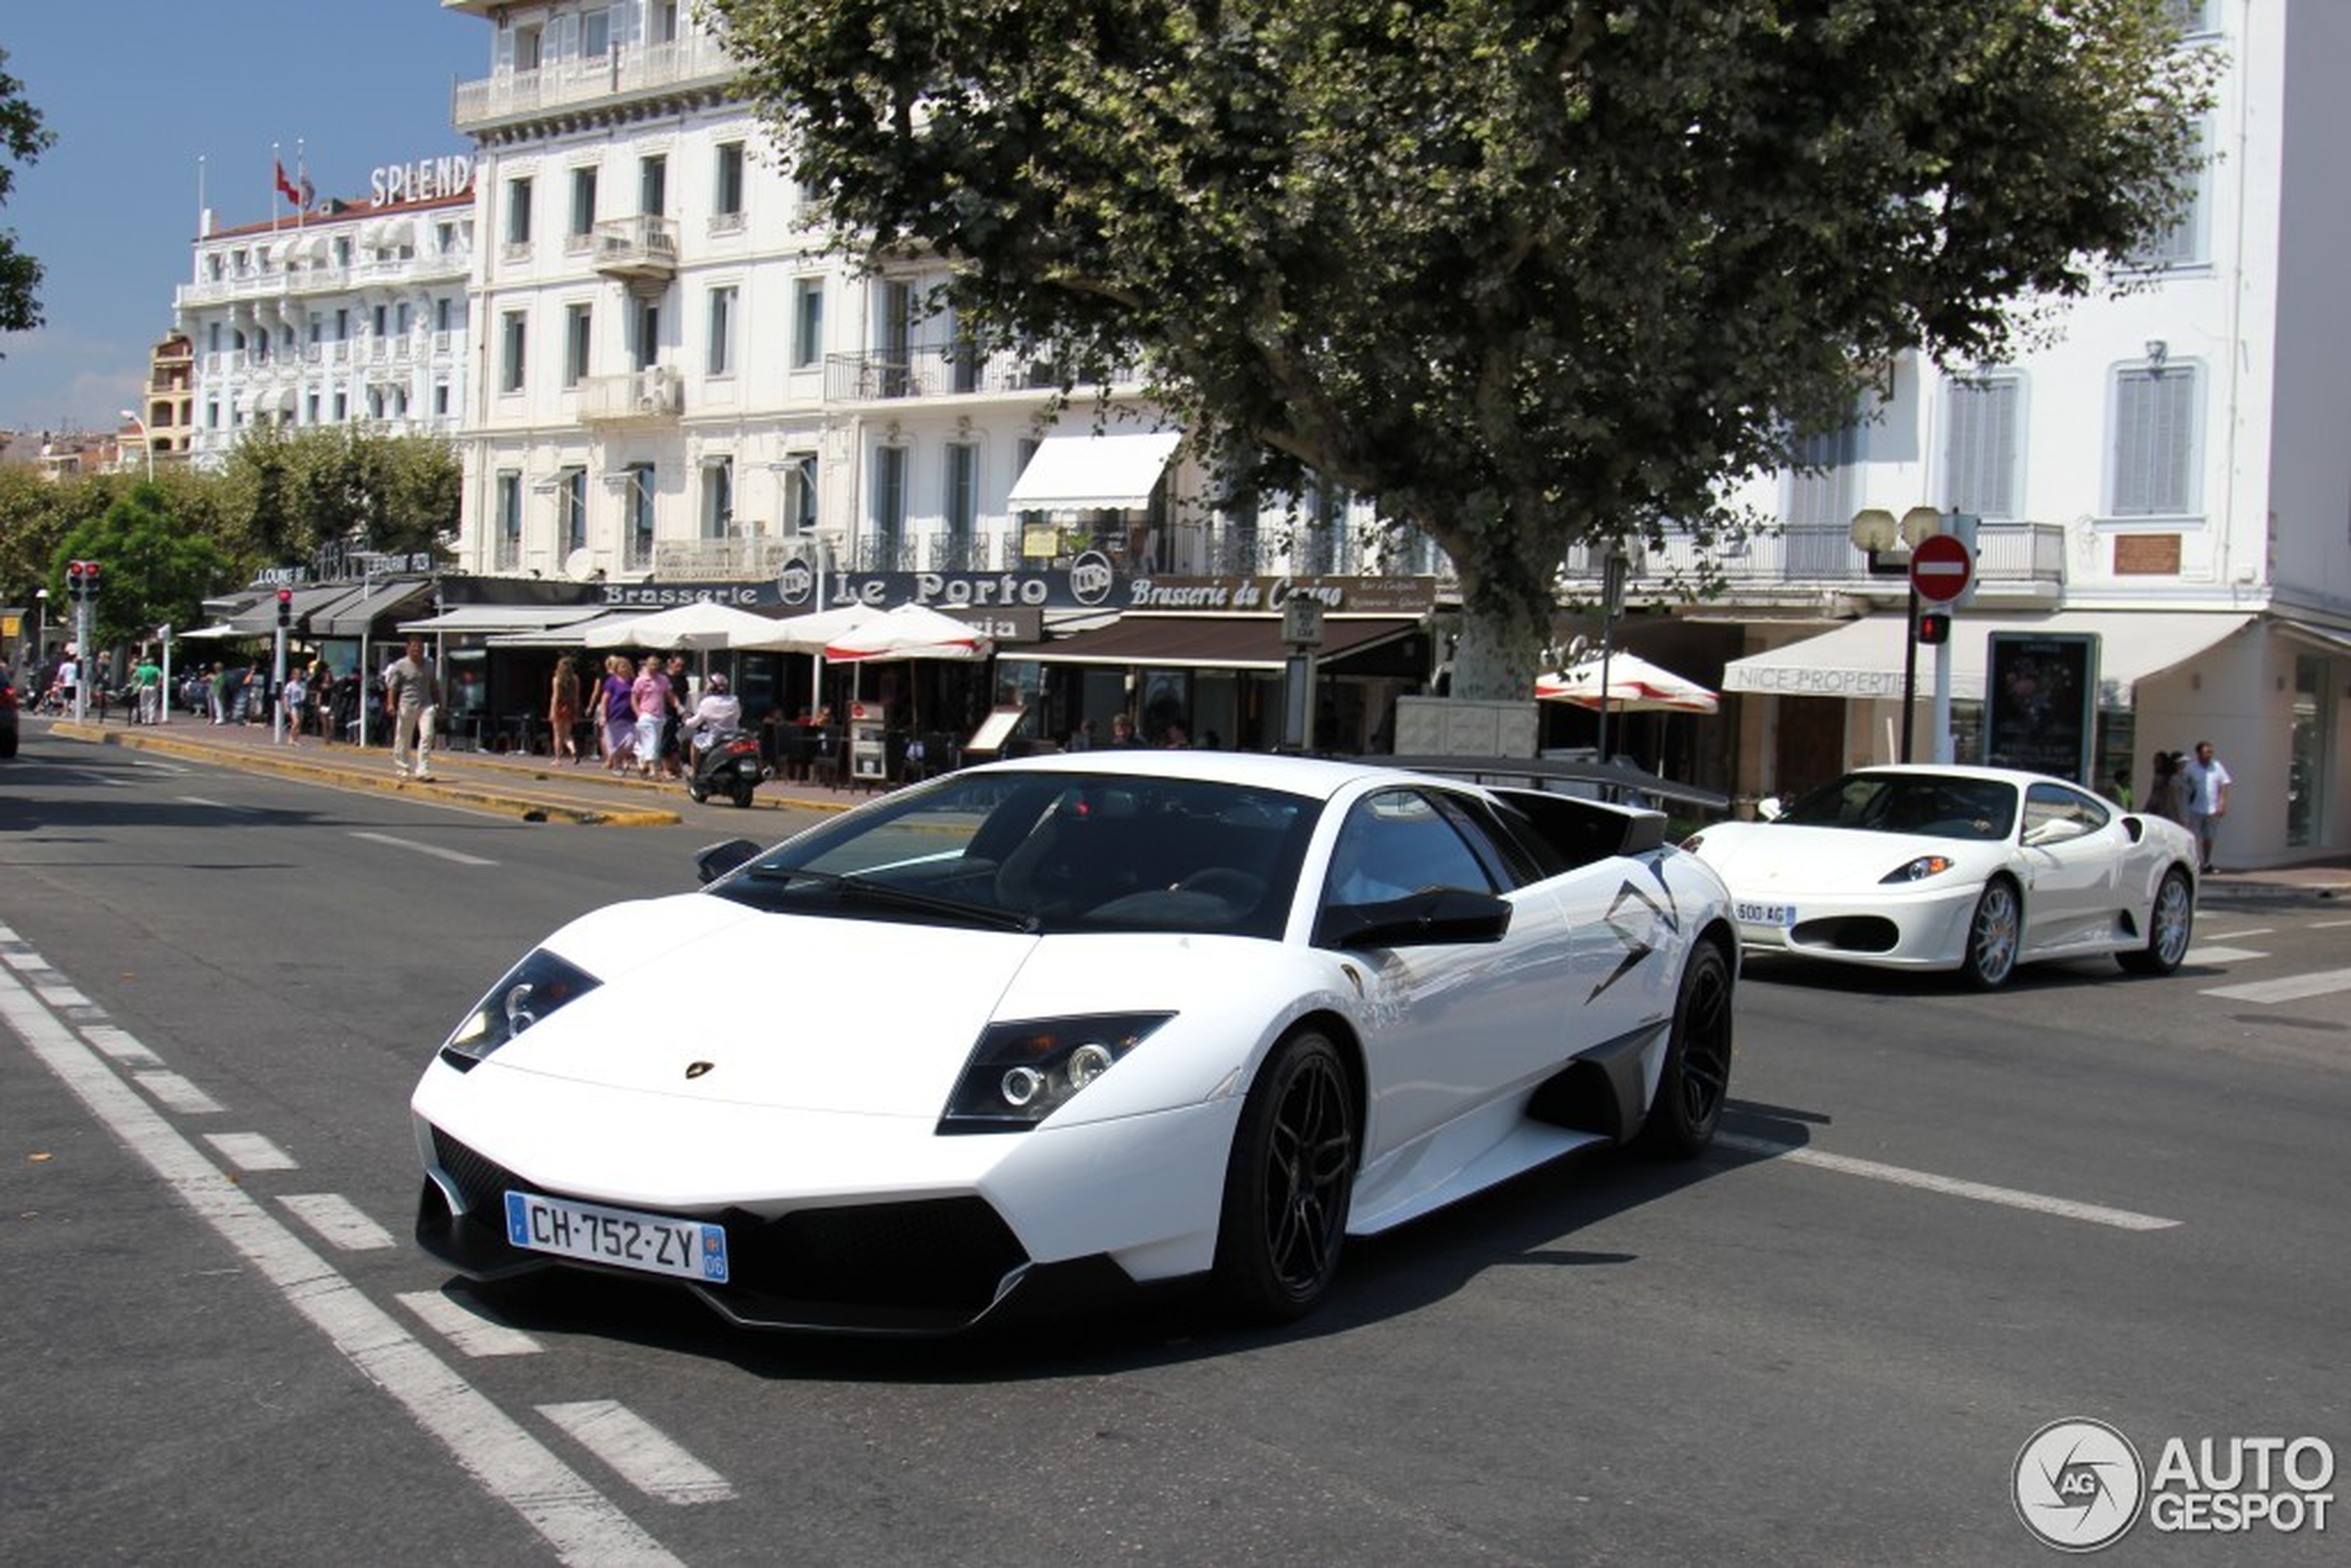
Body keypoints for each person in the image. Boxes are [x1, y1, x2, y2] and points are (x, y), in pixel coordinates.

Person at [382, 635, 442, 781]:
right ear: (407, 648)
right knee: (404, 737)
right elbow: (392, 687)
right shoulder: (400, 665)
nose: (417, 651)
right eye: (414, 647)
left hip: (426, 704)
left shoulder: (429, 664)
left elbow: (434, 685)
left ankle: (423, 770)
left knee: (427, 735)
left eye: (420, 648)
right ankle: (403, 768)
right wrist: (391, 704)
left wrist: (439, 703)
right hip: (407, 705)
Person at [2180, 739, 2232, 874]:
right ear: (2199, 753)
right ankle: (2194, 862)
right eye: (2207, 752)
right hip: (2195, 808)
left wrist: (2222, 803)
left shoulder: (2217, 766)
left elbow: (2225, 783)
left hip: (2212, 808)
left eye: (2211, 752)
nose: (2209, 754)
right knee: (2193, 836)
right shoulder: (2191, 767)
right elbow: (2183, 784)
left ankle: (2207, 863)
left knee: (2209, 837)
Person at [629, 653, 670, 778]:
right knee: (651, 741)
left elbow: (668, 694)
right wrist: (638, 713)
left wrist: (678, 706)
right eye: (651, 665)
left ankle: (643, 765)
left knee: (654, 743)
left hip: (660, 715)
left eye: (656, 665)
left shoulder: (663, 680)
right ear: (646, 665)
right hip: (646, 714)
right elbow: (634, 697)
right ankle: (653, 770)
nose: (654, 667)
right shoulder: (641, 680)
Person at [594, 654, 636, 771]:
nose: (624, 669)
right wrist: (603, 715)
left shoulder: (633, 681)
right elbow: (605, 699)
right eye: (622, 667)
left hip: (629, 717)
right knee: (613, 743)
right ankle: (616, 763)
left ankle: (618, 759)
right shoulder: (611, 682)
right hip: (614, 716)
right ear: (617, 668)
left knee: (630, 742)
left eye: (626, 667)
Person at [549, 654, 582, 764]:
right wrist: (576, 711)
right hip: (570, 705)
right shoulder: (575, 679)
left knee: (558, 734)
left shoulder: (556, 679)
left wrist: (552, 711)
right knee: (567, 734)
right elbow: (577, 696)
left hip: (559, 706)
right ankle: (573, 750)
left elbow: (555, 696)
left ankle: (557, 758)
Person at [280, 664, 307, 745]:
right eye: (297, 674)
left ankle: (296, 739)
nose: (298, 676)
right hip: (293, 705)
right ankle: (290, 738)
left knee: (299, 724)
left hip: (300, 705)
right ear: (293, 675)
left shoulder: (302, 685)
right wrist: (286, 707)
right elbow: (286, 696)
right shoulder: (290, 685)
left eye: (300, 674)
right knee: (296, 722)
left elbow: (304, 695)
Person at [133, 651, 162, 726]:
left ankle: (143, 720)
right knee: (152, 703)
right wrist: (157, 684)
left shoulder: (141, 669)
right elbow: (160, 676)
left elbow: (136, 677)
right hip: (152, 687)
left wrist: (137, 685)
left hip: (143, 687)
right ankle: (151, 720)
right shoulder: (156, 668)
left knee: (143, 703)